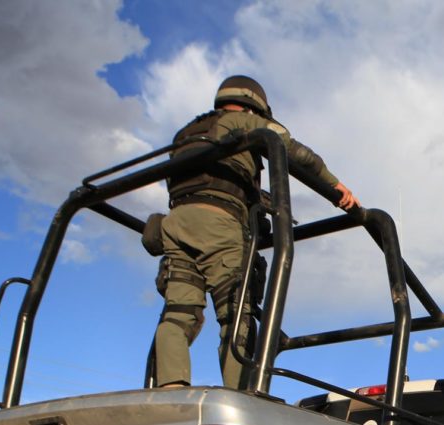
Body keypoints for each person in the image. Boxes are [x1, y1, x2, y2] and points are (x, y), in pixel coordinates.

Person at [153, 75, 359, 389]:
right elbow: (294, 152)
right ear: (255, 105)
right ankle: (241, 396)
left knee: (179, 313)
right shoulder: (243, 122)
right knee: (237, 315)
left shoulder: (187, 133)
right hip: (218, 224)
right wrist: (335, 187)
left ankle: (170, 387)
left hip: (176, 223)